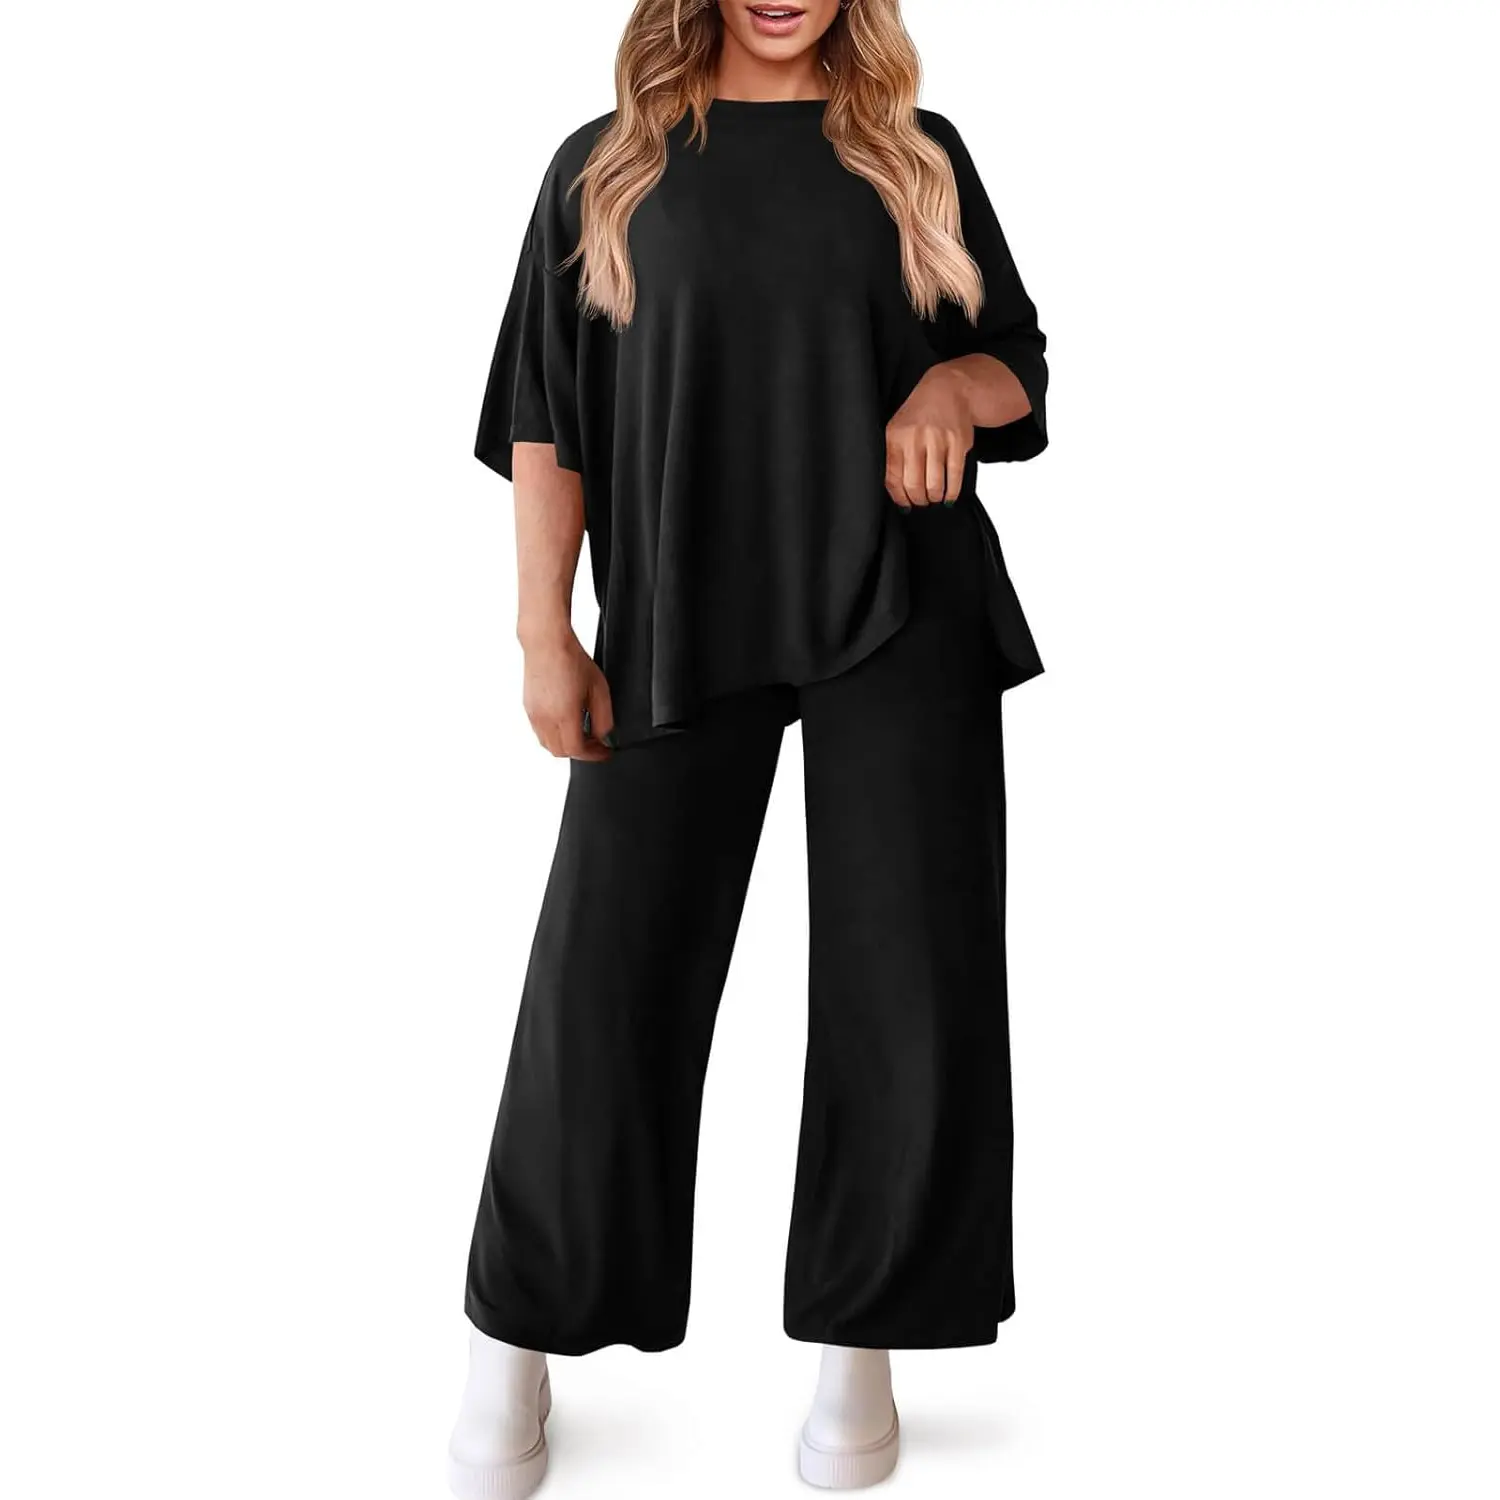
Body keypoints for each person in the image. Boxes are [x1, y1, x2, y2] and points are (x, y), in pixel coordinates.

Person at [448, 1, 1049, 1492]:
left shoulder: (916, 154)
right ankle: (516, 1333)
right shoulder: (607, 165)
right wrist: (543, 633)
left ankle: (863, 1347)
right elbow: (545, 419)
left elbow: (1019, 367)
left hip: (905, 605)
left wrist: (948, 386)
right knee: (606, 977)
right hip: (678, 610)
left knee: (908, 982)